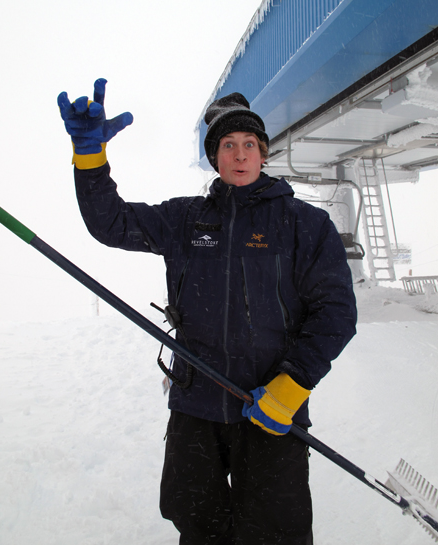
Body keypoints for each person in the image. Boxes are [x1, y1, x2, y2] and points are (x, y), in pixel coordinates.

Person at [58, 79, 357, 545]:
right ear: (215, 157)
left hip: (270, 407)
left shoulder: (304, 224)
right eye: (228, 145)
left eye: (250, 145)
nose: (240, 155)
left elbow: (336, 311)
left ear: (263, 154)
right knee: (198, 528)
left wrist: (293, 384)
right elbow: (110, 222)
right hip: (197, 407)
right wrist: (90, 158)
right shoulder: (184, 219)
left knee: (276, 533)